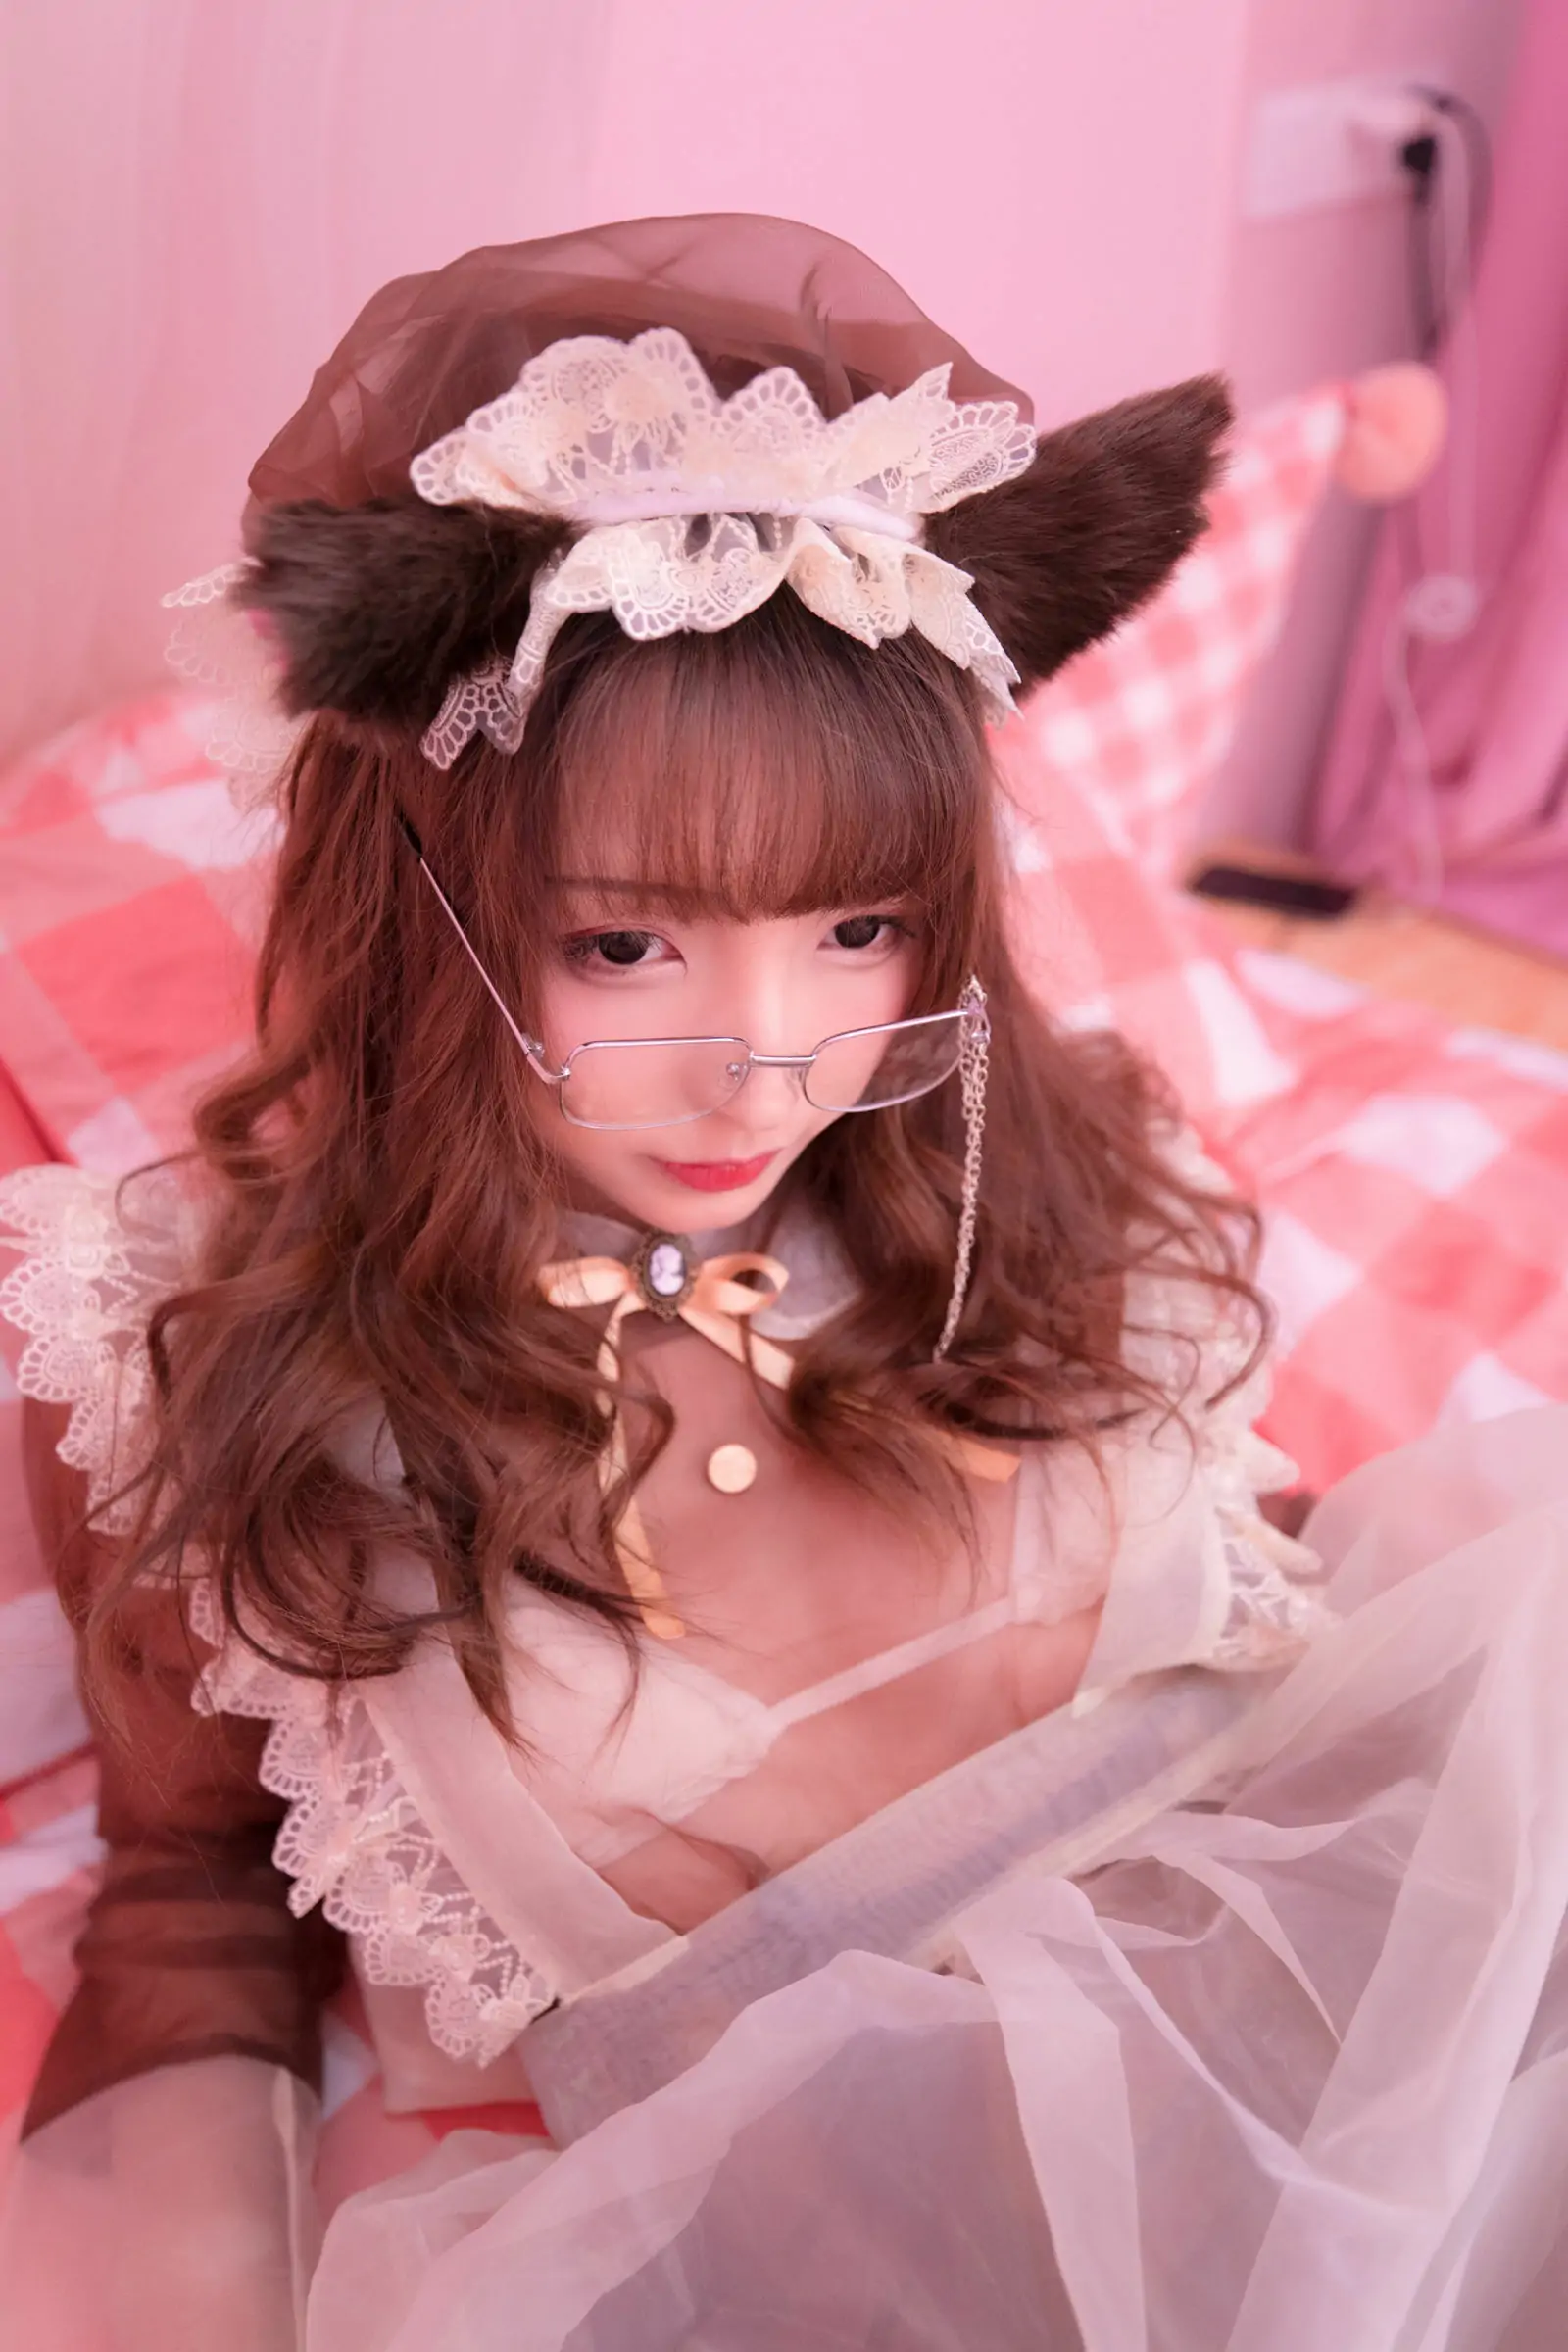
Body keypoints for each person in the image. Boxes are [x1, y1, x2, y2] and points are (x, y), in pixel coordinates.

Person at [1, 215, 1565, 2352]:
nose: (766, 1060)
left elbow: (1264, 1632)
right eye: (626, 943)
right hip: (893, 2258)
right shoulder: (192, 1357)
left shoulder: (1004, 1159)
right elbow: (186, 1914)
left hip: (1413, 1979)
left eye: (856, 929)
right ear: (423, 914)